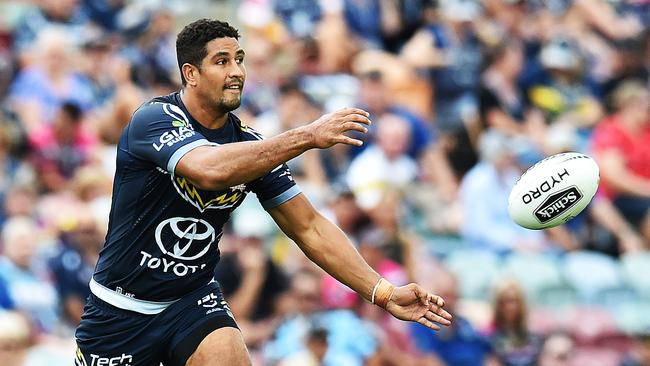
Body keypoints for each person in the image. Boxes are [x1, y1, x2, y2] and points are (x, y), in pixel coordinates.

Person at [74, 19, 452, 366]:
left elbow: (309, 227)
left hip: (191, 300)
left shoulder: (252, 146)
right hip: (120, 309)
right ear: (191, 73)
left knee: (227, 352)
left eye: (239, 59)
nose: (237, 71)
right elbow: (209, 169)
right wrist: (306, 136)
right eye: (222, 61)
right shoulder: (154, 119)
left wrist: (383, 292)